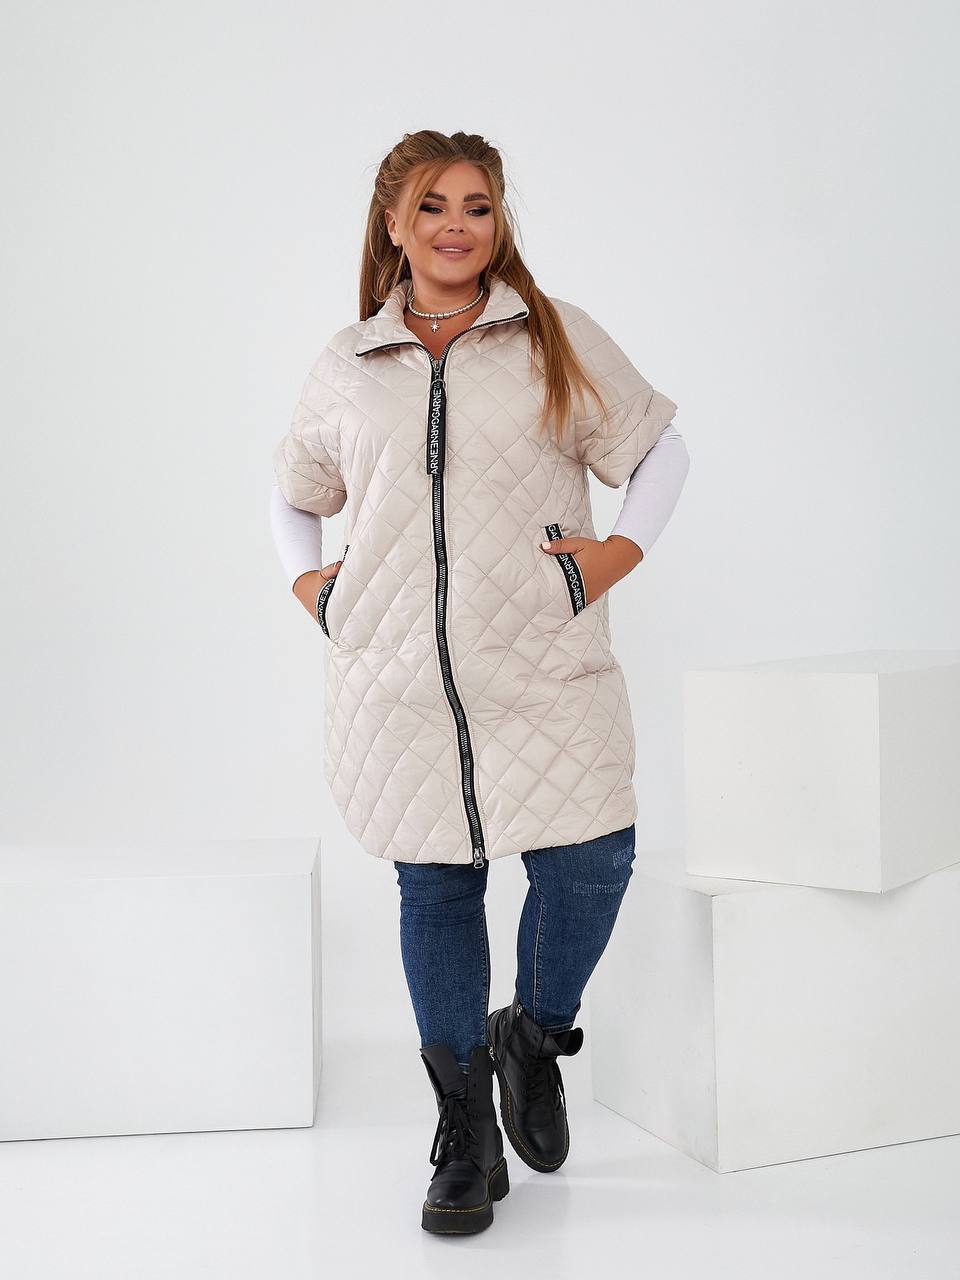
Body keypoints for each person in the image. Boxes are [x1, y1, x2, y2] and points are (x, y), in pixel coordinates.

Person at [271, 130, 689, 1235]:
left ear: (500, 221)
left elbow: (659, 450)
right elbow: (295, 488)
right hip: (399, 677)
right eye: (433, 206)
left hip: (542, 658)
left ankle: (533, 1035)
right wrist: (310, 586)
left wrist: (612, 557)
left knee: (593, 861)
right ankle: (463, 1130)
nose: (457, 225)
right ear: (394, 224)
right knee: (437, 888)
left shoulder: (553, 335)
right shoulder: (348, 360)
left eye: (478, 205)